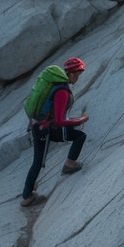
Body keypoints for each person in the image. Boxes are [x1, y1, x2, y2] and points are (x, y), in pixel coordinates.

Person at [21, 57, 89, 207]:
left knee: (38, 160)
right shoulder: (62, 91)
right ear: (71, 74)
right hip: (47, 130)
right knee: (39, 162)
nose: (78, 77)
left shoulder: (57, 86)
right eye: (77, 74)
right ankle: (27, 196)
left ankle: (69, 165)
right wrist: (80, 120)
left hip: (42, 127)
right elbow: (59, 121)